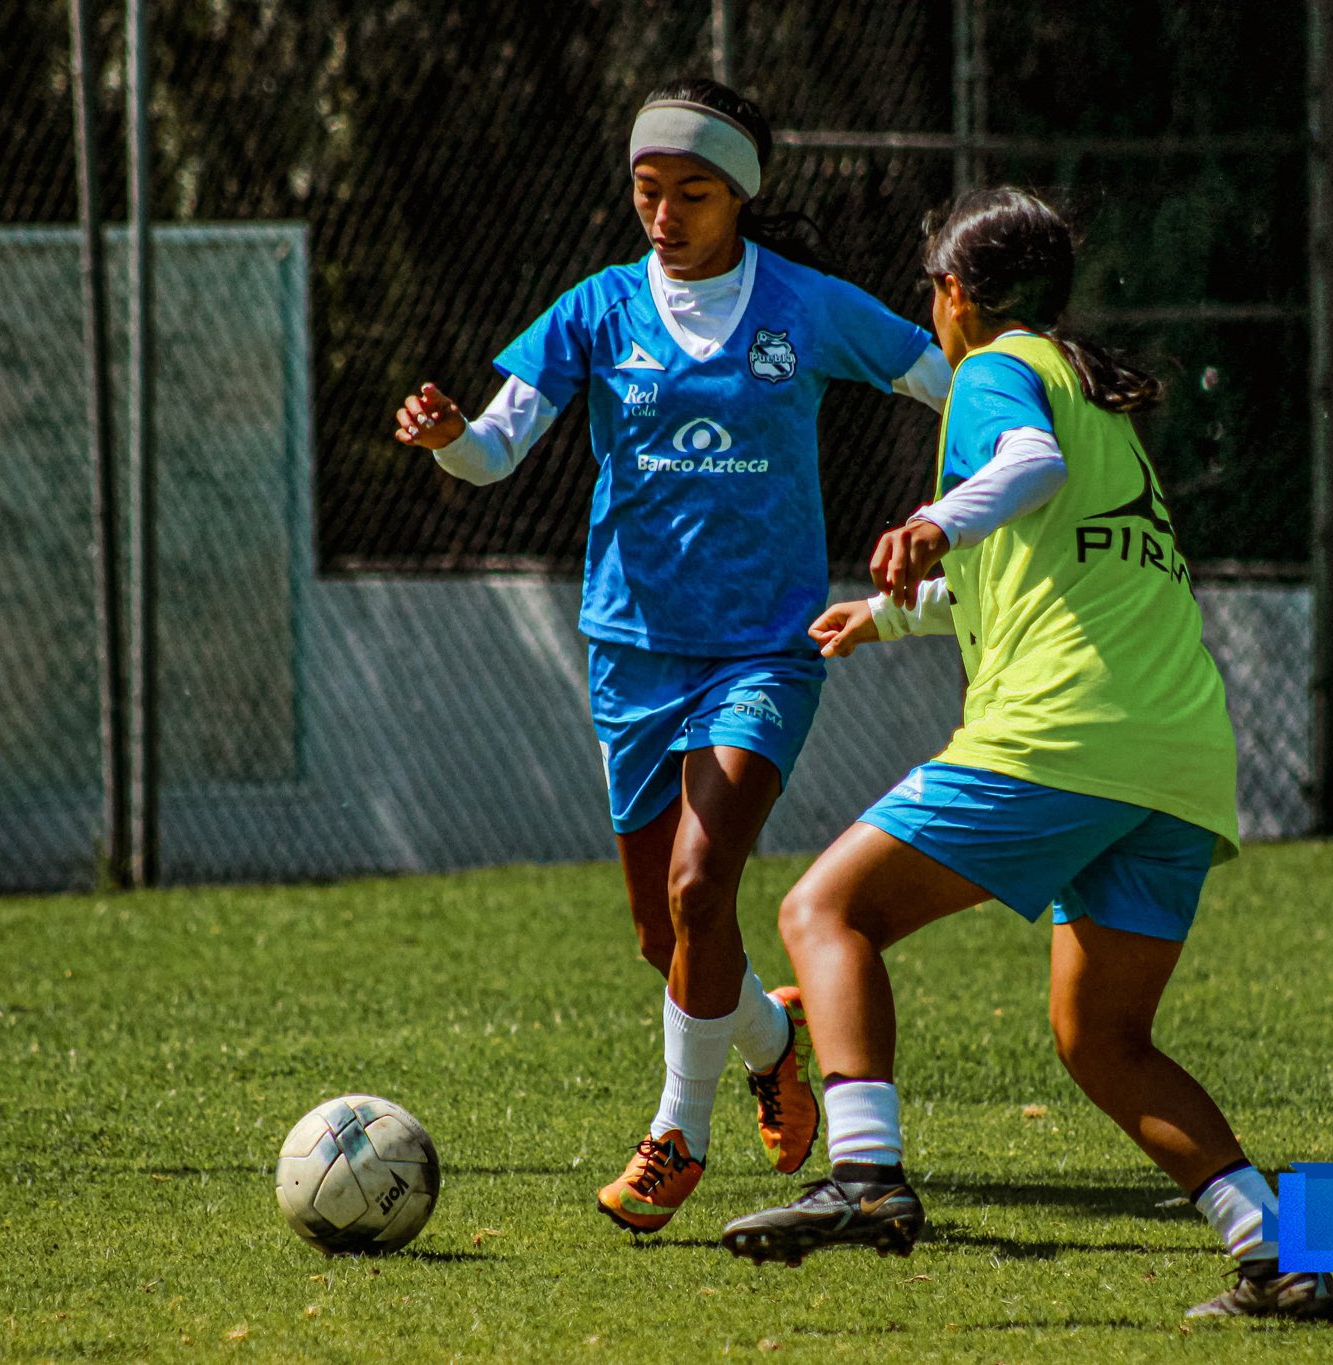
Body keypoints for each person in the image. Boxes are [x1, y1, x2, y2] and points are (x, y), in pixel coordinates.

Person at [718, 188, 1333, 1323]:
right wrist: (891, 613)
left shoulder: (997, 372)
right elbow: (1042, 565)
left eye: (931, 291)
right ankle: (1277, 1256)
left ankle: (863, 1174)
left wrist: (932, 520)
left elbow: (1026, 466)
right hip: (1176, 759)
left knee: (824, 912)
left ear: (955, 295)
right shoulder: (1091, 393)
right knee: (1101, 1039)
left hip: (1064, 734)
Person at [393, 77, 952, 1233]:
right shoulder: (597, 310)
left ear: (739, 195)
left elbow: (943, 377)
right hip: (631, 653)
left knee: (703, 887)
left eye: (691, 192)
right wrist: (450, 440)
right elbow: (495, 452)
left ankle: (674, 1137)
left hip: (763, 650)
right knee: (665, 933)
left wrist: (1015, 453)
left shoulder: (801, 307)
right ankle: (772, 1040)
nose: (664, 214)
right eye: (647, 189)